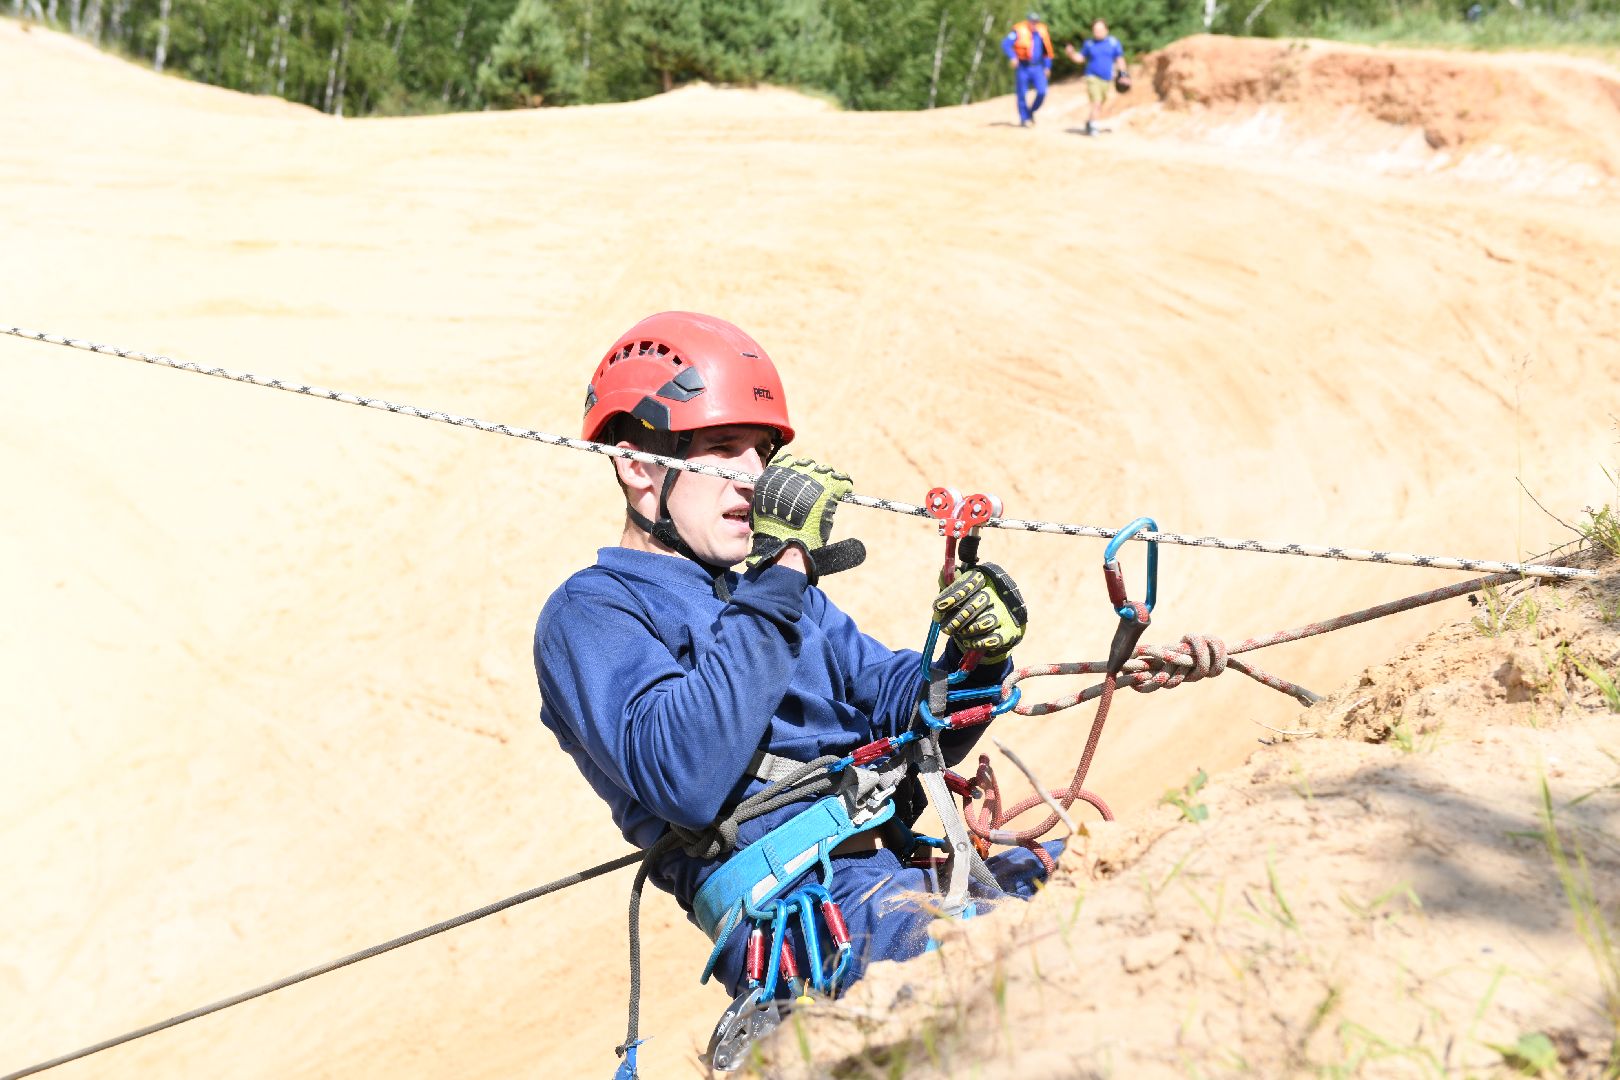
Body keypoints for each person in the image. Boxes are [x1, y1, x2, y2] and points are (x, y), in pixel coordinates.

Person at [533, 312, 1056, 1023]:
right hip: (806, 910)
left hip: (898, 862)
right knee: (1014, 966)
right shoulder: (591, 615)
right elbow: (682, 774)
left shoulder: (781, 600)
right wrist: (780, 578)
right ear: (635, 464)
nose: (754, 480)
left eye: (762, 455)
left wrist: (976, 656)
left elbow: (902, 709)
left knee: (1104, 880)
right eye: (723, 451)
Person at [1065, 19, 1126, 135]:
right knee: (1096, 102)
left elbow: (1120, 59)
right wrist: (1071, 54)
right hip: (1092, 77)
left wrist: (1123, 75)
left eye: (1100, 29)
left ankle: (1090, 122)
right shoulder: (1089, 44)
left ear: (1106, 30)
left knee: (1100, 103)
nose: (1098, 32)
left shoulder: (1113, 43)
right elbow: (1080, 58)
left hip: (1107, 79)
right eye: (1096, 30)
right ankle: (1094, 127)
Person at [1001, 11, 1054, 127]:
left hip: (1038, 67)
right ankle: (1024, 118)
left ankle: (1031, 112)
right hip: (1023, 67)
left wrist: (1048, 67)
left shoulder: (1042, 33)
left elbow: (1047, 52)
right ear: (1028, 21)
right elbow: (1005, 44)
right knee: (1022, 93)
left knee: (1042, 91)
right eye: (1032, 21)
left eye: (1036, 22)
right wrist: (1013, 57)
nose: (1034, 24)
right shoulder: (1019, 32)